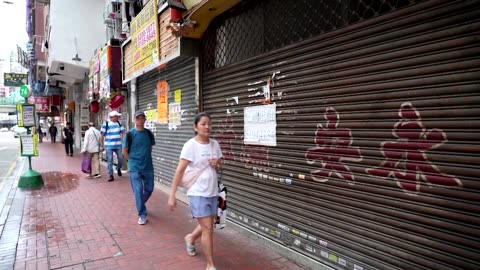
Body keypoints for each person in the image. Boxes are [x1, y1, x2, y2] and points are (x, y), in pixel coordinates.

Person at [168, 112, 223, 270]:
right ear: (195, 127)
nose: (207, 127)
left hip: (212, 191)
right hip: (197, 192)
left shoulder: (214, 144)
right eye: (203, 124)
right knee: (208, 228)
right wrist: (172, 195)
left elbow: (221, 165)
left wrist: (217, 163)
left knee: (209, 225)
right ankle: (210, 265)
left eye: (209, 124)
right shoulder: (190, 146)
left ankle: (191, 238)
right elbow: (179, 171)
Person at [122, 110, 155, 225]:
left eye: (142, 118)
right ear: (134, 120)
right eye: (138, 118)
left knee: (149, 189)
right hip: (134, 167)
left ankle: (140, 203)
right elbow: (124, 151)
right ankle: (142, 214)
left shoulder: (149, 134)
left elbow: (150, 148)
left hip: (147, 166)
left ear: (145, 120)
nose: (140, 120)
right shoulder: (130, 134)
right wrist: (130, 162)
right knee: (138, 190)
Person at [101, 111, 125, 182]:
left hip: (118, 145)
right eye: (117, 116)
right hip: (109, 145)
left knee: (120, 158)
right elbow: (102, 135)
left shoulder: (119, 123)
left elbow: (123, 132)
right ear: (112, 117)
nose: (118, 117)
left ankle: (118, 168)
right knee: (110, 160)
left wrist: (123, 142)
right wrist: (102, 145)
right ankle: (111, 175)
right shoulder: (106, 123)